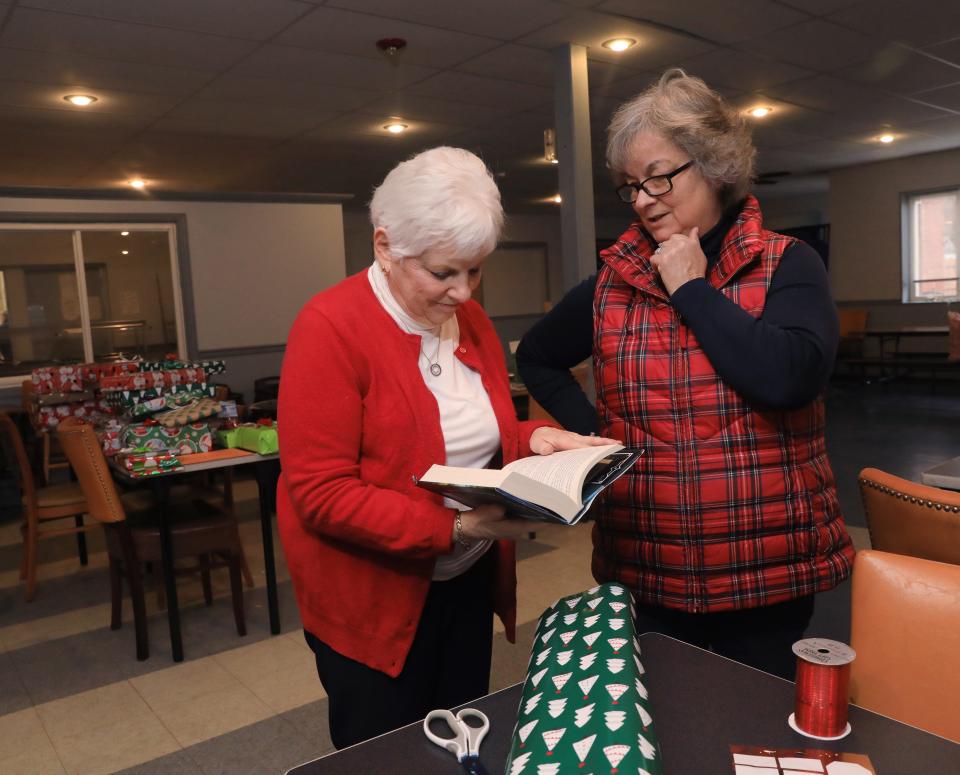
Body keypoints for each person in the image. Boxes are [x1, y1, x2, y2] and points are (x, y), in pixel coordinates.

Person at [517, 70, 855, 680]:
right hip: (647, 569)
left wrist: (692, 287)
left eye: (660, 176)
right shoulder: (610, 285)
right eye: (630, 185)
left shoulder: (787, 264)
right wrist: (599, 433)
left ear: (715, 165)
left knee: (755, 739)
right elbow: (537, 357)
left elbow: (789, 379)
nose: (644, 198)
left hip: (766, 574)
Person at [277, 146, 611, 749]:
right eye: (443, 272)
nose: (463, 292)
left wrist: (532, 437)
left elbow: (477, 432)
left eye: (475, 270)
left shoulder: (470, 321)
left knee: (462, 745)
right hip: (373, 602)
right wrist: (454, 530)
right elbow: (320, 495)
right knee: (391, 756)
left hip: (461, 584)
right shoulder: (329, 328)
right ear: (385, 247)